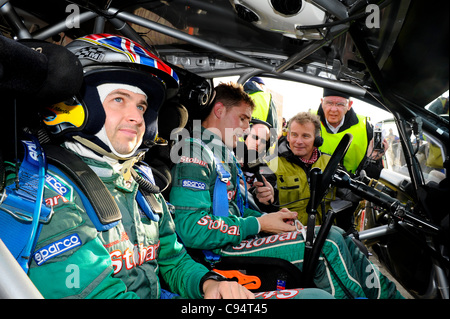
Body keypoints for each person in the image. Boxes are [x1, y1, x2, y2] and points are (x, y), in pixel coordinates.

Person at [1, 34, 254, 299]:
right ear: (77, 106)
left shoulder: (142, 183)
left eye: (142, 106)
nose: (136, 117)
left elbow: (173, 260)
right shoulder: (50, 191)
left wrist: (209, 283)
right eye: (119, 100)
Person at [169, 82, 404, 299]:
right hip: (218, 253)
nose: (245, 128)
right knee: (328, 243)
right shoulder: (195, 153)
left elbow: (232, 213)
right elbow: (190, 228)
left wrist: (270, 218)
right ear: (219, 110)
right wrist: (261, 224)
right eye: (242, 119)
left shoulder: (224, 154)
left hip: (233, 240)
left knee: (336, 234)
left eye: (247, 121)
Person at [265, 112, 335, 226]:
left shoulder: (330, 163)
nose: (298, 141)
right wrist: (266, 199)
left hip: (324, 233)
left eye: (305, 136)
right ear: (288, 136)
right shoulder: (270, 165)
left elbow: (348, 195)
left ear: (317, 139)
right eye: (294, 135)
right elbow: (263, 206)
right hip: (289, 235)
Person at [317, 88, 388, 179]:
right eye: (329, 103)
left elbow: (372, 178)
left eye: (340, 104)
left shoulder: (366, 128)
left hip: (350, 188)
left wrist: (372, 159)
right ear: (322, 102)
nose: (333, 109)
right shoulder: (308, 122)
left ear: (349, 105)